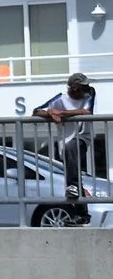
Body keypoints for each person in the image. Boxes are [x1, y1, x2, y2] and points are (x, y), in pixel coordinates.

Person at [39, 74, 98, 202]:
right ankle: (81, 210)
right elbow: (37, 111)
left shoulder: (90, 93)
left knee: (70, 150)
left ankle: (73, 187)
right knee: (73, 178)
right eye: (84, 86)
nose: (88, 87)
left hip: (82, 137)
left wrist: (60, 113)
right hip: (65, 141)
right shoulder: (60, 99)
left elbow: (86, 111)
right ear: (75, 87)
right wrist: (50, 112)